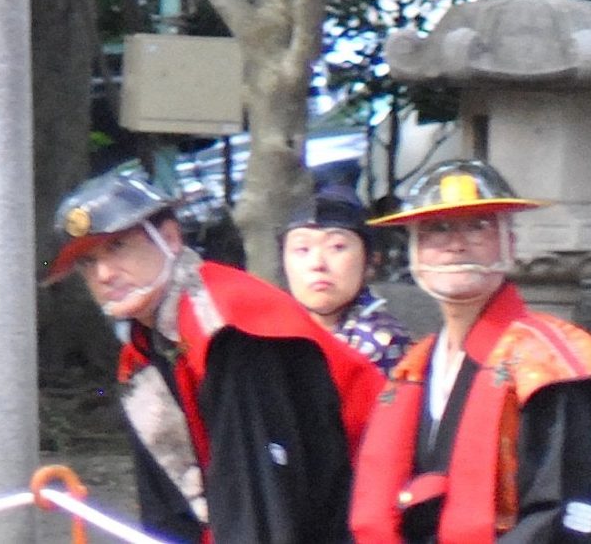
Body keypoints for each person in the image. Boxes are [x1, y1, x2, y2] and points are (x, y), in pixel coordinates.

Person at [53, 164, 382, 544]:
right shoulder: (142, 354)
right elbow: (168, 511)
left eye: (117, 246)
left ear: (171, 239)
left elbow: (260, 501)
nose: (104, 273)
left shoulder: (232, 324)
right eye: (88, 262)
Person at [352, 159, 591, 544]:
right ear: (414, 249)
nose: (456, 243)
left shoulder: (552, 363)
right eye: (437, 229)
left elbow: (567, 506)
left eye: (478, 225)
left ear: (510, 243)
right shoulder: (413, 367)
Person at [285, 188, 413, 369]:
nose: (317, 264)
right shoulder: (272, 333)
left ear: (370, 261)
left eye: (337, 247)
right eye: (302, 249)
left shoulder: (382, 340)